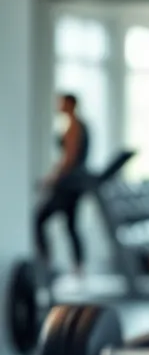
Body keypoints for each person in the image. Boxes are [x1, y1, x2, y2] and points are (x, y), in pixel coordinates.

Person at [35, 93, 90, 279]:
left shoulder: (74, 127)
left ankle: (46, 261)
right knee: (71, 225)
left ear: (71, 104)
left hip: (68, 183)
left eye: (62, 103)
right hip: (77, 182)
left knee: (40, 217)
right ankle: (78, 267)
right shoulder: (80, 126)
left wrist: (51, 178)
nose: (58, 106)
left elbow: (69, 159)